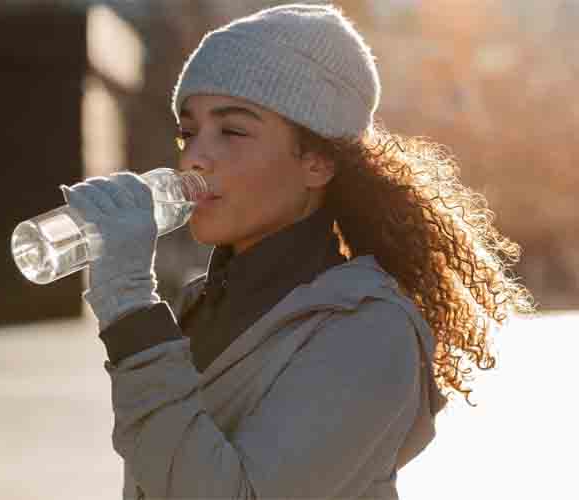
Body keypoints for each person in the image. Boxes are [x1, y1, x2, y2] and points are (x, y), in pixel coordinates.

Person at [60, 4, 534, 499]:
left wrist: (131, 307)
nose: (195, 156)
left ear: (317, 163)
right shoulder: (198, 304)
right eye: (189, 131)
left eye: (233, 131)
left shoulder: (369, 328)